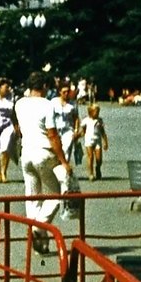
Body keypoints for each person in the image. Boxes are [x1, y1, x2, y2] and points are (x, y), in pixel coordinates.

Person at [15, 72, 72, 255]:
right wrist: (63, 161)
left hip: (27, 153)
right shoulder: (47, 105)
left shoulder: (20, 103)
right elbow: (53, 135)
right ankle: (38, 228)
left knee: (33, 197)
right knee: (57, 194)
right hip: (44, 152)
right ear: (45, 87)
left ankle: (39, 241)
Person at [52, 80, 82, 219]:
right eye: (63, 91)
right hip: (56, 130)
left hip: (68, 131)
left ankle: (64, 175)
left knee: (66, 153)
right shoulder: (53, 103)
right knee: (57, 154)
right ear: (59, 92)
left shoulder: (72, 104)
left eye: (67, 91)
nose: (66, 94)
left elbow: (76, 118)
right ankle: (58, 174)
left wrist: (76, 130)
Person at [79, 104, 109, 180]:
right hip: (89, 140)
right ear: (91, 112)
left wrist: (105, 142)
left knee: (99, 159)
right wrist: (80, 135)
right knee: (90, 157)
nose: (97, 113)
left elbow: (103, 132)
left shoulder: (99, 120)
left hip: (97, 140)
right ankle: (91, 173)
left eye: (98, 112)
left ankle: (98, 168)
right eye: (96, 111)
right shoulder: (86, 120)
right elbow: (83, 130)